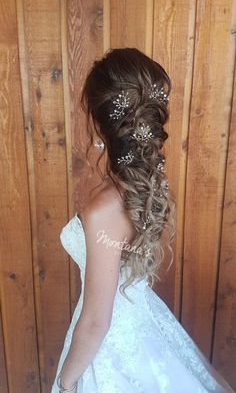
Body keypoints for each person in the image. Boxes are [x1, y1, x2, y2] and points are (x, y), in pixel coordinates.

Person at [51, 48, 235, 392]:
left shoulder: (105, 206)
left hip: (110, 344)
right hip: (138, 319)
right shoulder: (131, 185)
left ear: (96, 120)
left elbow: (95, 321)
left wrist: (66, 380)